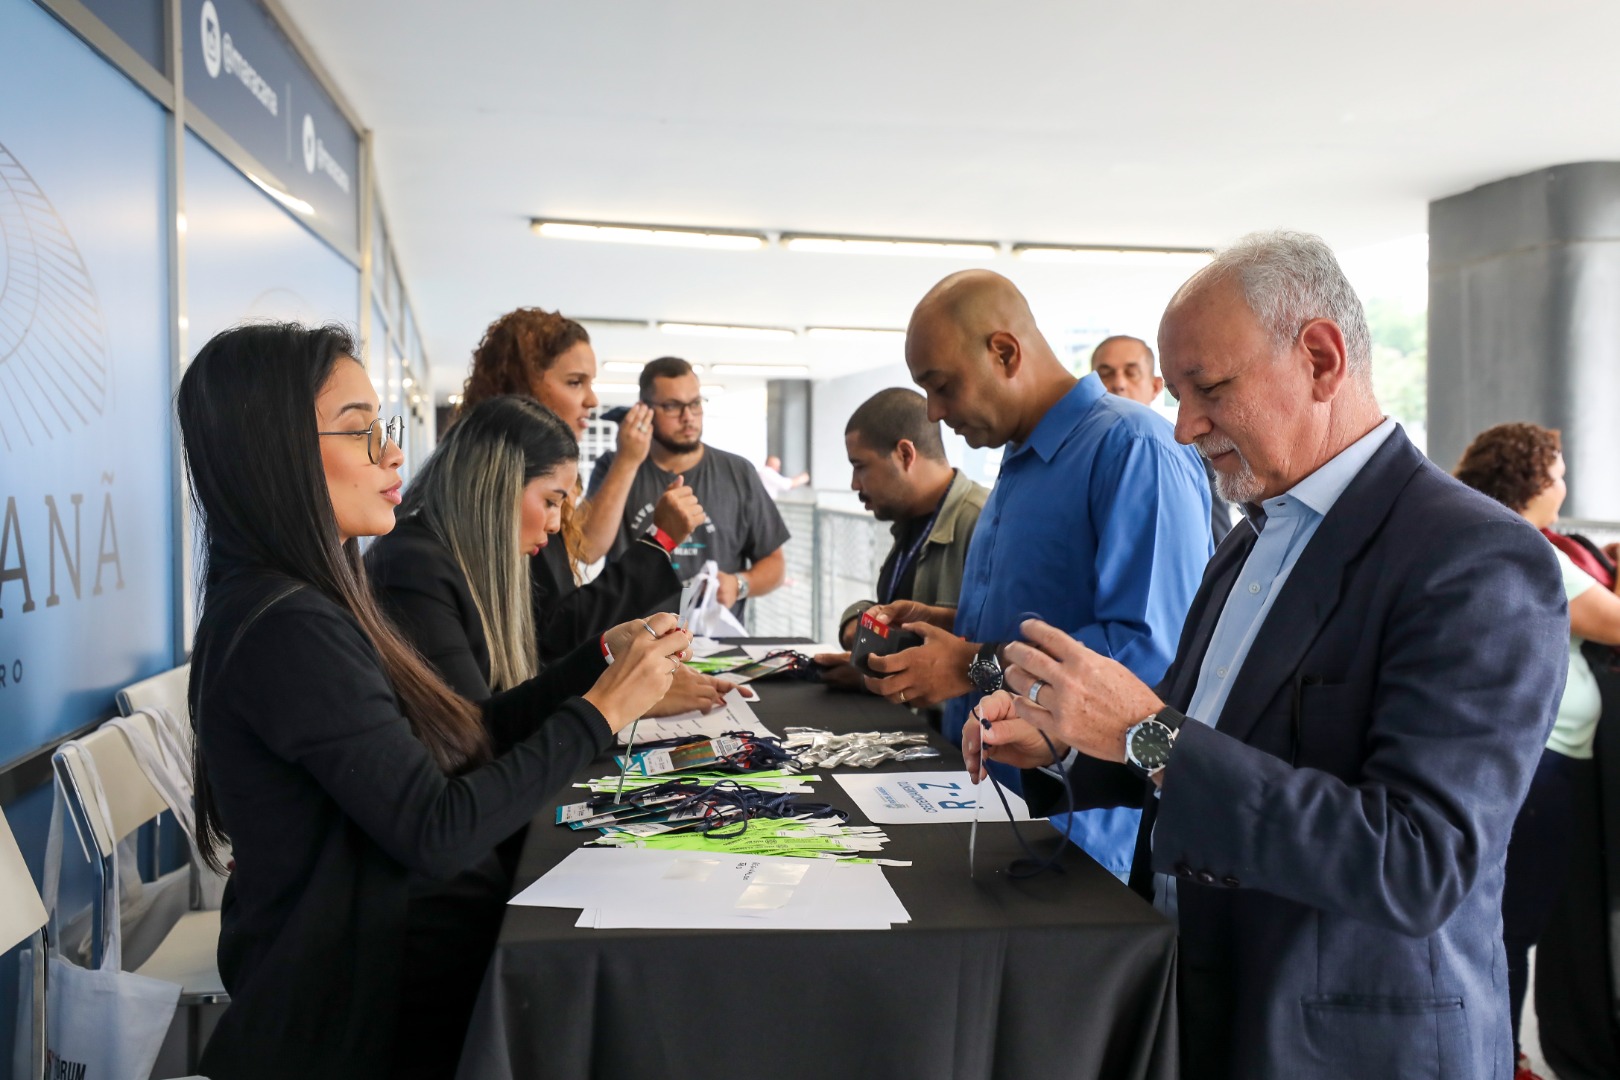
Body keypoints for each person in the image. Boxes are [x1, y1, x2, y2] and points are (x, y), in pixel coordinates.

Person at [970, 231, 1570, 1079]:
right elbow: (1207, 744)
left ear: (1322, 359)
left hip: (1346, 1044)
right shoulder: (1252, 539)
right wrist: (1068, 742)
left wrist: (1143, 731)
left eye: (1209, 389)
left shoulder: (1474, 558)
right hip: (1206, 1004)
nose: (1184, 428)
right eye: (1177, 394)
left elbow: (1417, 862)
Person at [178, 323, 689, 1080]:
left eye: (383, 427)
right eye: (360, 432)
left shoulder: (312, 602)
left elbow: (463, 738)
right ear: (274, 450)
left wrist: (597, 665)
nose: (391, 454)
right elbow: (438, 829)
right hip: (356, 1011)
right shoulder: (287, 626)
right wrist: (600, 712)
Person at [864, 269, 1212, 877]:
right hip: (988, 800)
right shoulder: (1020, 459)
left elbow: (1147, 652)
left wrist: (968, 662)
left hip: (1076, 828)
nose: (935, 413)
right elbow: (1048, 615)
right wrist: (944, 623)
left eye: (942, 387)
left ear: (1004, 352)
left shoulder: (1134, 447)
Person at [367, 394, 738, 711]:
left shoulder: (463, 560)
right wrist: (615, 696)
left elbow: (509, 703)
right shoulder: (415, 567)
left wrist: (608, 658)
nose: (556, 524)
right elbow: (476, 734)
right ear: (497, 484)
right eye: (550, 501)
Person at [1454, 421, 1620, 1080]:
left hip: (1540, 759)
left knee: (1514, 920)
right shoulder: (1535, 552)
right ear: (1533, 482)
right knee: (1515, 923)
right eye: (1558, 474)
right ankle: (1505, 1058)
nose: (1564, 486)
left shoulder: (1510, 541)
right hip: (1541, 765)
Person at [458, 308, 704, 661]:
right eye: (575, 383)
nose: (592, 400)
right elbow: (562, 629)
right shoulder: (496, 495)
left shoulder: (494, 476)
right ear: (523, 389)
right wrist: (661, 539)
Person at [811, 388, 988, 695]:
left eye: (860, 466)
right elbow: (900, 616)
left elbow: (988, 659)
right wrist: (858, 621)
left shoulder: (981, 523)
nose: (854, 484)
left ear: (905, 454)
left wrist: (874, 680)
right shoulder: (911, 522)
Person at [589, 356, 790, 618]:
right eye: (672, 406)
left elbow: (775, 563)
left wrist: (740, 584)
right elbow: (588, 549)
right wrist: (626, 460)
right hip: (632, 643)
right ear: (644, 409)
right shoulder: (613, 466)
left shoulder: (738, 472)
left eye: (695, 403)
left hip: (717, 648)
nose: (688, 417)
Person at [1091, 333, 1233, 545]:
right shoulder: (1079, 454)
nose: (1119, 383)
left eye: (1131, 373)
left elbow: (1216, 542)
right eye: (1106, 374)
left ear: (1156, 387)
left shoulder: (1188, 454)